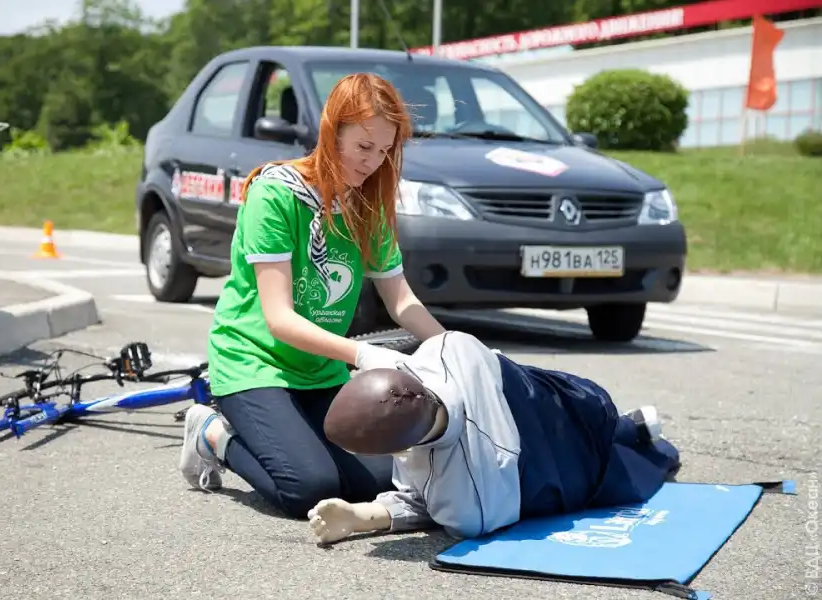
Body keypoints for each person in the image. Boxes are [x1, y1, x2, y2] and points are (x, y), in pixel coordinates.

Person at [176, 73, 448, 519]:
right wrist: (363, 356)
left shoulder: (369, 205)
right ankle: (210, 432)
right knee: (308, 488)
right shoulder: (275, 194)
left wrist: (452, 350)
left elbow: (401, 301)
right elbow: (279, 319)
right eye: (364, 147)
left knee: (378, 484)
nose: (374, 163)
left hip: (318, 370)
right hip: (253, 363)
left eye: (384, 151)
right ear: (332, 130)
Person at [307, 330, 682, 544]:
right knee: (605, 422)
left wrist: (364, 517)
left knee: (632, 465)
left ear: (403, 448)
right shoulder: (446, 348)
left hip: (565, 460)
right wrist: (357, 516)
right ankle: (630, 427)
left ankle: (640, 437)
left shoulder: (469, 504)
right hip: (574, 400)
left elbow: (423, 506)